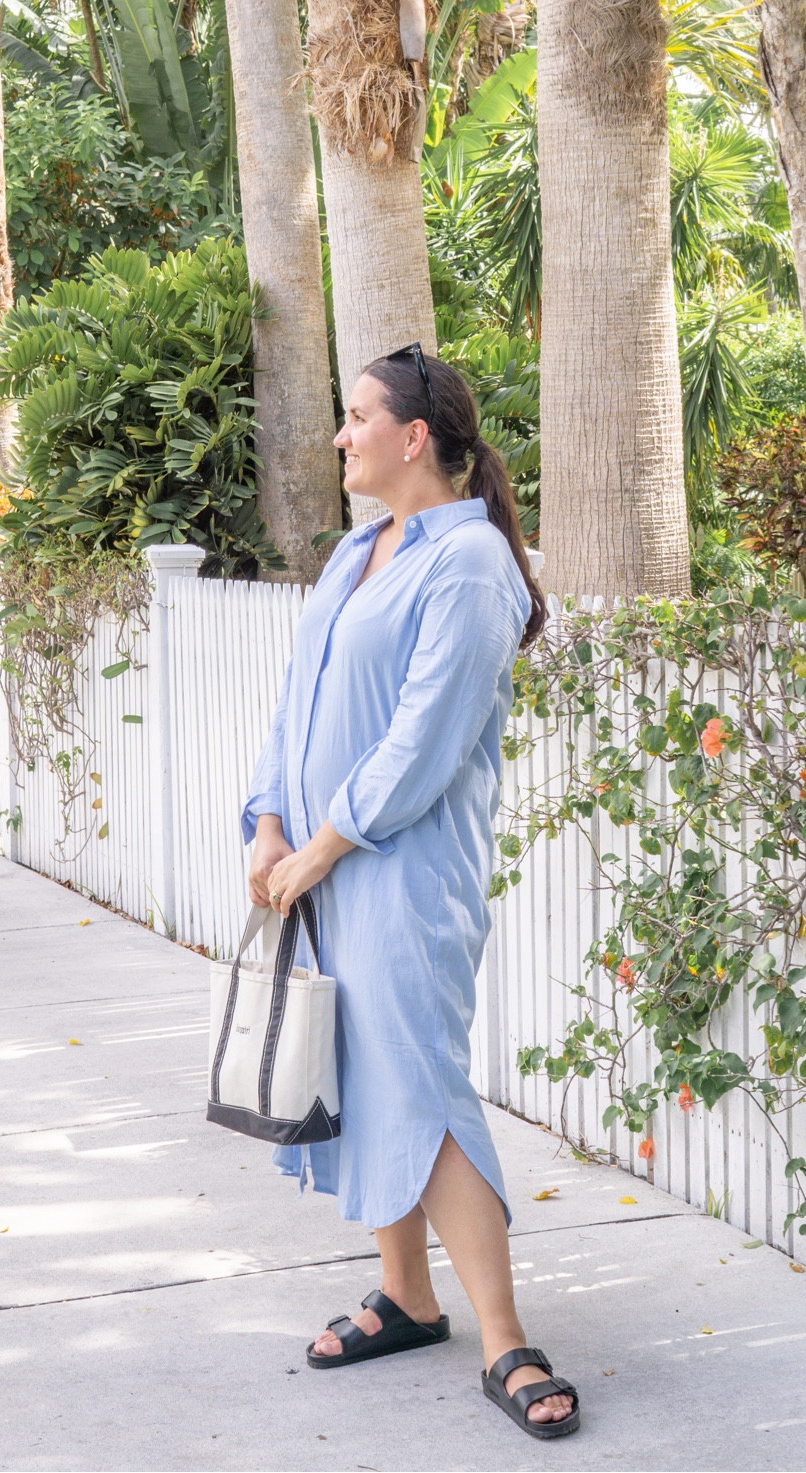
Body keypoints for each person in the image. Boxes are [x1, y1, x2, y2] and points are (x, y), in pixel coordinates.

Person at [242, 344, 581, 1442]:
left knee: (422, 1087)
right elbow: (298, 705)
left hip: (402, 871)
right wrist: (269, 821)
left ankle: (504, 1340)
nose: (341, 435)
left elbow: (423, 738)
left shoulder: (469, 563)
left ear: (413, 437)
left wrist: (325, 845)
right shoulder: (356, 552)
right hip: (320, 863)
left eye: (355, 417)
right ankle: (406, 1296)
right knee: (355, 1071)